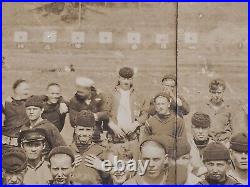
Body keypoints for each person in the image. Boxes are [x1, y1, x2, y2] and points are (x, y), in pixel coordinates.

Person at [197, 79, 246, 147]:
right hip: (207, 142)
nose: (216, 95)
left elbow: (234, 130)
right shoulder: (203, 108)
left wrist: (228, 142)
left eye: (219, 92)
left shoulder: (229, 108)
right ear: (210, 92)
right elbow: (198, 127)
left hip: (225, 142)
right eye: (214, 92)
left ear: (223, 92)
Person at [108, 67, 149, 140]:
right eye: (123, 78)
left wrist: (135, 125)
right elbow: (106, 113)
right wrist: (114, 127)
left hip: (132, 134)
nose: (126, 82)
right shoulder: (111, 94)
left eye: (129, 79)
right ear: (119, 78)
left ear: (132, 79)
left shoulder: (139, 95)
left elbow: (145, 113)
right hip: (115, 135)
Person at [69, 77, 110, 143]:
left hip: (97, 135)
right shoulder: (74, 100)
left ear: (89, 90)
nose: (78, 94)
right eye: (78, 91)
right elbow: (73, 121)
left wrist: (94, 116)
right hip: (80, 136)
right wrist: (90, 117)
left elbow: (106, 113)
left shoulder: (99, 97)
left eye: (81, 92)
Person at [70, 110, 106, 184]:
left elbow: (113, 177)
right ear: (75, 129)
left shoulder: (102, 150)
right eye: (81, 129)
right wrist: (68, 167)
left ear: (93, 130)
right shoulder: (68, 151)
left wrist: (102, 167)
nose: (84, 133)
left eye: (88, 130)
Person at [2, 79, 30, 152]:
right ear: (16, 89)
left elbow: (49, 98)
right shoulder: (5, 103)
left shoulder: (30, 103)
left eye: (28, 89)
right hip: (6, 142)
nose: (28, 92)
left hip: (23, 141)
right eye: (25, 89)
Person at [188, 112, 213, 177]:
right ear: (192, 128)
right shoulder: (185, 147)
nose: (200, 131)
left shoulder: (216, 147)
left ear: (209, 128)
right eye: (197, 127)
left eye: (204, 128)